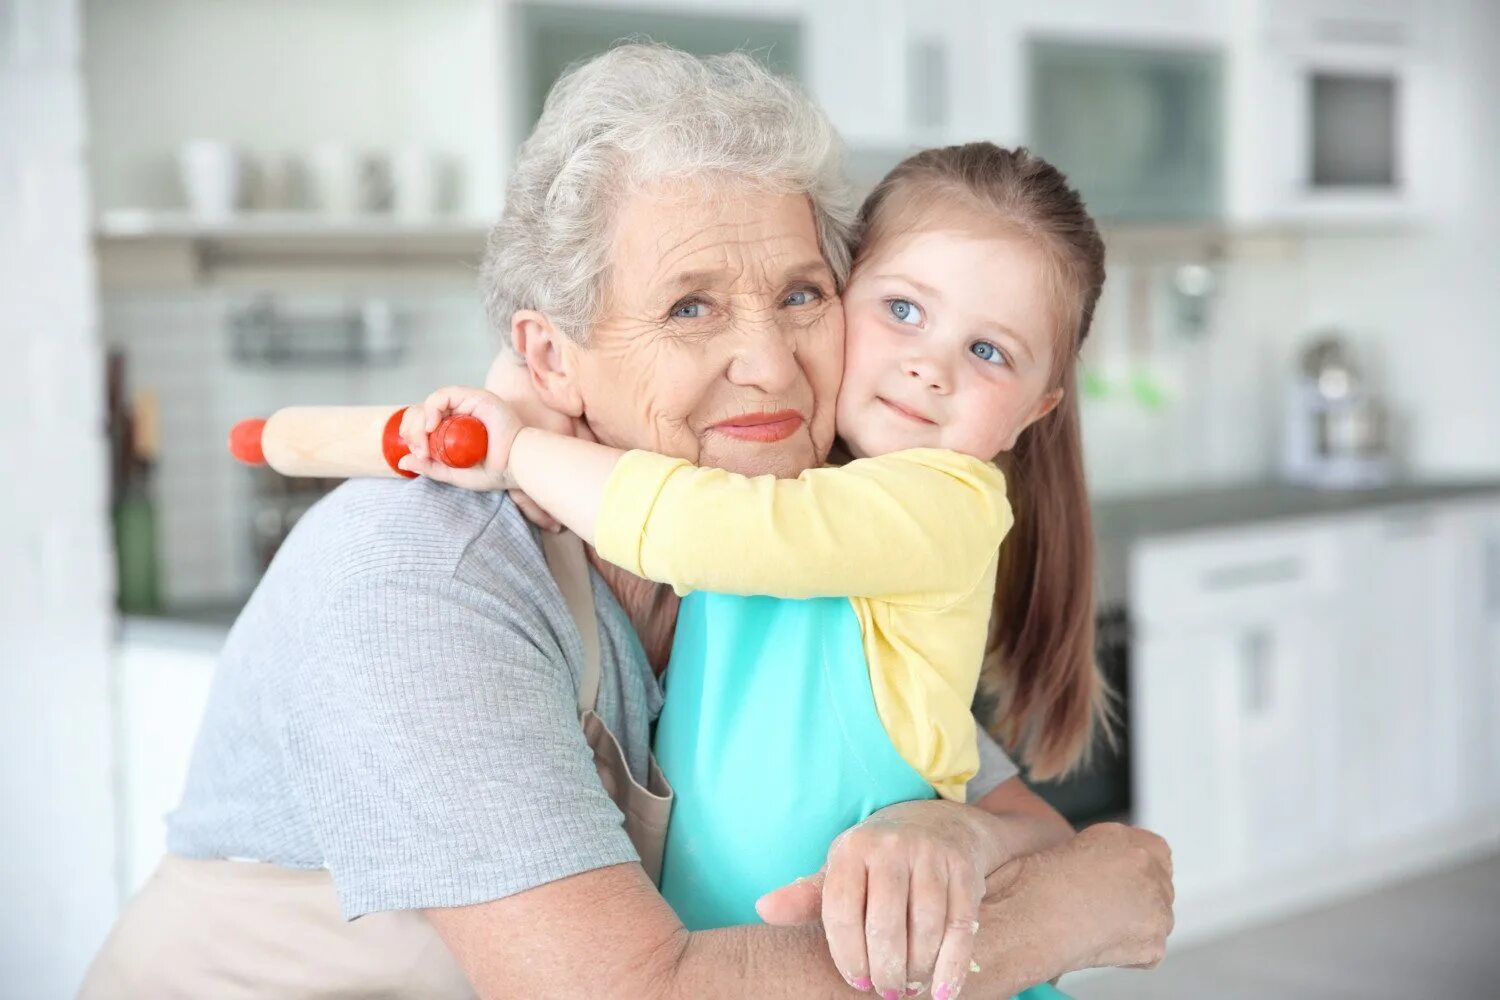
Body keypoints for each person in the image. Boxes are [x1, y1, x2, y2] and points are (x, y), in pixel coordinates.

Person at [81, 45, 1172, 999]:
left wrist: (951, 831)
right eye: (690, 306)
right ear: (551, 354)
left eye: (800, 293)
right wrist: (1062, 916)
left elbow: (1022, 822)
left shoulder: (780, 545)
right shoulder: (421, 575)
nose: (769, 361)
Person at [401, 142, 1108, 1000]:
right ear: (845, 303)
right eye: (903, 310)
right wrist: (533, 377)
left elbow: (702, 527)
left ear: (1035, 409)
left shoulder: (942, 504)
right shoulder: (808, 480)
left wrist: (520, 450)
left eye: (990, 352)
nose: (932, 365)